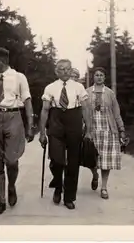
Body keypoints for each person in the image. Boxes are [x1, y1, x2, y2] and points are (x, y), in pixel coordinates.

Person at [0, 47, 34, 216]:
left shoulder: (19, 77)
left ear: (2, 61)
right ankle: (1, 201)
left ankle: (11, 186)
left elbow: (27, 100)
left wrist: (30, 124)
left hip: (13, 117)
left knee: (11, 160)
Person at [38, 59, 92, 210]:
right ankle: (58, 186)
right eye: (62, 69)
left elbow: (86, 109)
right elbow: (45, 110)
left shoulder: (79, 87)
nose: (65, 72)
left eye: (68, 69)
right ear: (56, 71)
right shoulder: (50, 87)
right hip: (56, 121)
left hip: (74, 120)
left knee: (73, 162)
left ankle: (69, 197)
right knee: (57, 159)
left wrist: (88, 130)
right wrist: (42, 132)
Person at [86, 67, 129, 199]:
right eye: (97, 75)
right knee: (91, 159)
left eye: (101, 75)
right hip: (93, 131)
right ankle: (95, 175)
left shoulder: (110, 93)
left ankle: (104, 187)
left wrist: (121, 130)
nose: (99, 77)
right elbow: (83, 112)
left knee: (106, 160)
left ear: (104, 78)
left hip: (108, 131)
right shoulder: (87, 92)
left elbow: (116, 113)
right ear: (93, 77)